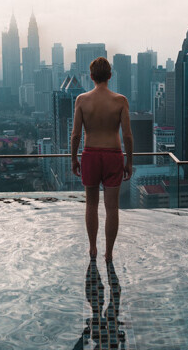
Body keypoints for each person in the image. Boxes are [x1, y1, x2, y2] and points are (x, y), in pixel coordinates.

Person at [71, 57, 133, 262]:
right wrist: (129, 162)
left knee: (91, 205)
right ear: (110, 76)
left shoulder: (82, 100)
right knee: (112, 207)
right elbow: (127, 136)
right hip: (113, 155)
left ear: (91, 77)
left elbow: (76, 135)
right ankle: (109, 252)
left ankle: (92, 248)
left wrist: (73, 159)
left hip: (90, 154)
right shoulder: (120, 101)